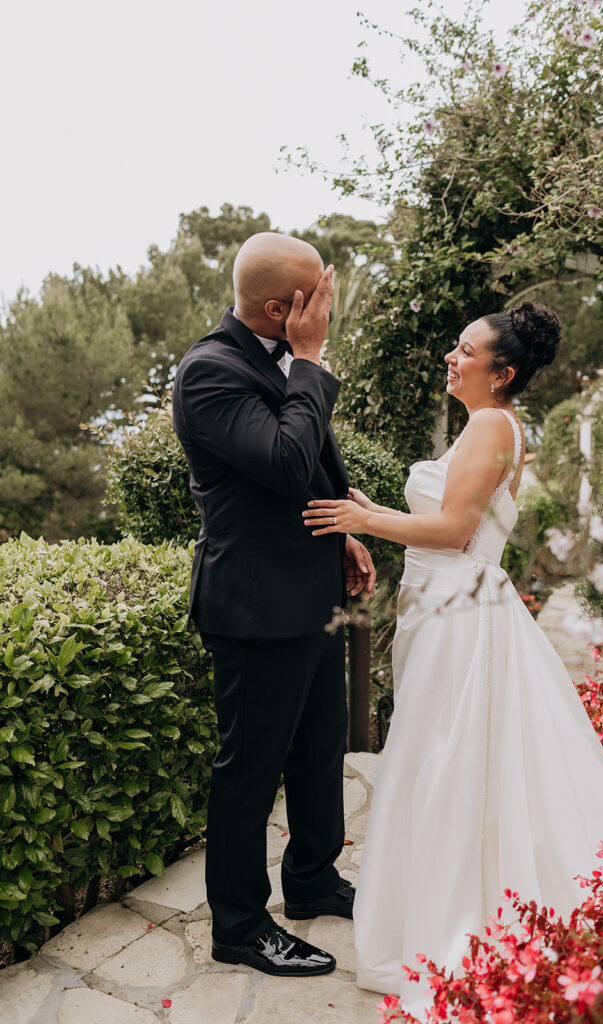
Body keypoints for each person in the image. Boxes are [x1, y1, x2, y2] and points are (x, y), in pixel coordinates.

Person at [302, 301, 603, 1016]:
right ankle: (459, 892)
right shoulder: (489, 426)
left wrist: (361, 520)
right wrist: (379, 512)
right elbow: (450, 521)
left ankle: (452, 916)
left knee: (448, 762)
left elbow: (457, 529)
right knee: (455, 759)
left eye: (465, 350)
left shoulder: (493, 424)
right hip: (448, 608)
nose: (450, 356)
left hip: (459, 618)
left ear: (501, 373)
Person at [172, 232, 375, 978]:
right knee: (248, 770)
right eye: (317, 295)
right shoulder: (209, 372)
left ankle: (312, 878)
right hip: (255, 605)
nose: (328, 305)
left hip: (311, 590)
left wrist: (341, 535)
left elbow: (309, 462)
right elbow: (285, 458)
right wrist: (313, 359)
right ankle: (238, 924)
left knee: (318, 752)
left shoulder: (277, 361)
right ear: (277, 308)